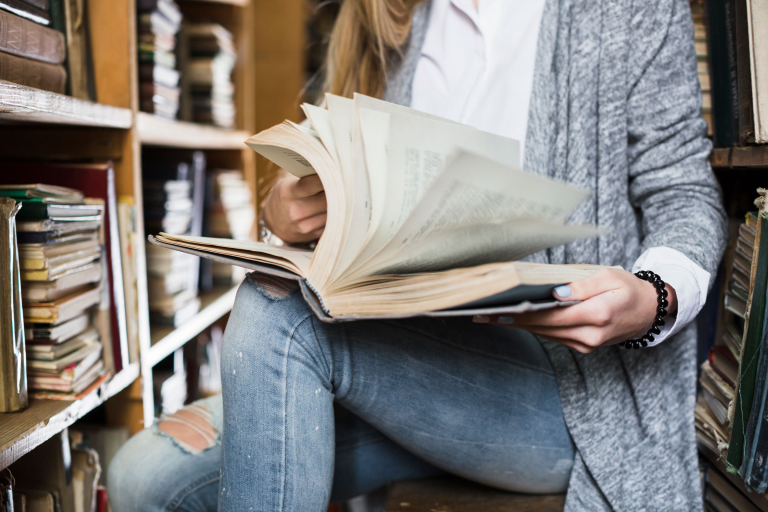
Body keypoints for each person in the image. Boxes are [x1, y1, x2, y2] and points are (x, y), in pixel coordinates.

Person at [108, 0, 727, 510]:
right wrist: (281, 218)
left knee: (280, 313)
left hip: (573, 392)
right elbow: (341, 212)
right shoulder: (387, 21)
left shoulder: (626, 10)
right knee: (142, 481)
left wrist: (654, 295)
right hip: (398, 365)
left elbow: (684, 193)